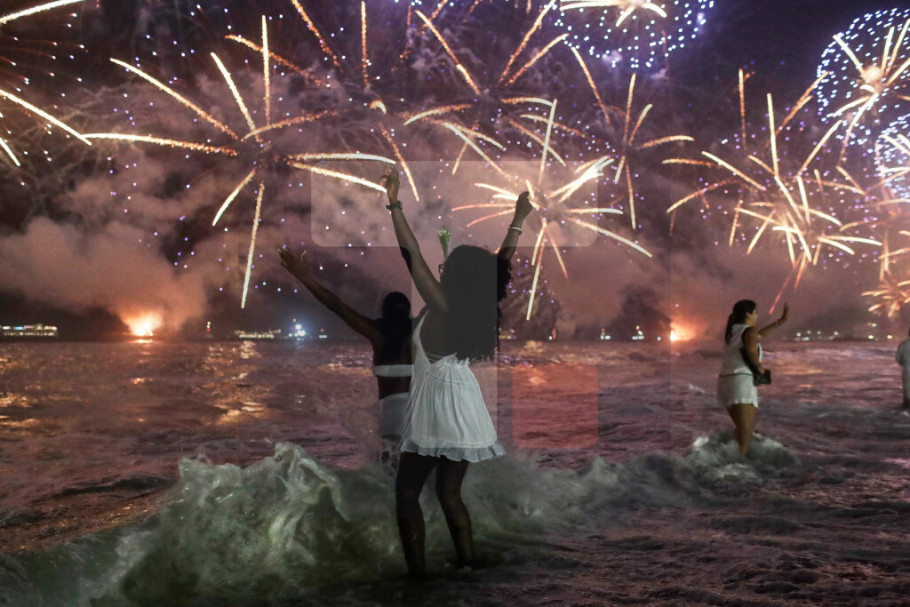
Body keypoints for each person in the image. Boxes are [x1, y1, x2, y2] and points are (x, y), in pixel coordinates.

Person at [382, 168, 532, 577]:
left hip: (437, 405)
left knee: (407, 494)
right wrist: (518, 219)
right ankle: (468, 563)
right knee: (449, 493)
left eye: (449, 267)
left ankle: (418, 578)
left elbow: (411, 254)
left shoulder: (443, 304)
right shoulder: (478, 307)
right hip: (465, 404)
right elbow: (501, 263)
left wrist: (394, 202)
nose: (442, 269)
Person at [279, 248, 412, 473]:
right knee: (421, 481)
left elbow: (337, 306)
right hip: (421, 414)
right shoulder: (419, 334)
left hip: (391, 415)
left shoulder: (376, 333)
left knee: (390, 478)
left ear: (384, 312)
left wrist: (302, 275)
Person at [717, 300, 789, 456]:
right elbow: (750, 349)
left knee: (741, 430)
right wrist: (759, 367)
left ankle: (731, 458)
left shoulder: (733, 331)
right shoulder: (748, 331)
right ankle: (738, 464)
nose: (757, 315)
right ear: (748, 314)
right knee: (746, 433)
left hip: (726, 382)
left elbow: (758, 335)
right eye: (755, 312)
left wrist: (780, 322)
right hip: (741, 383)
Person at [895, 329, 910, 410]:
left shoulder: (903, 344)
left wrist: (904, 364)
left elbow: (898, 358)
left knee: (907, 389)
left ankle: (906, 407)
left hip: (907, 370)